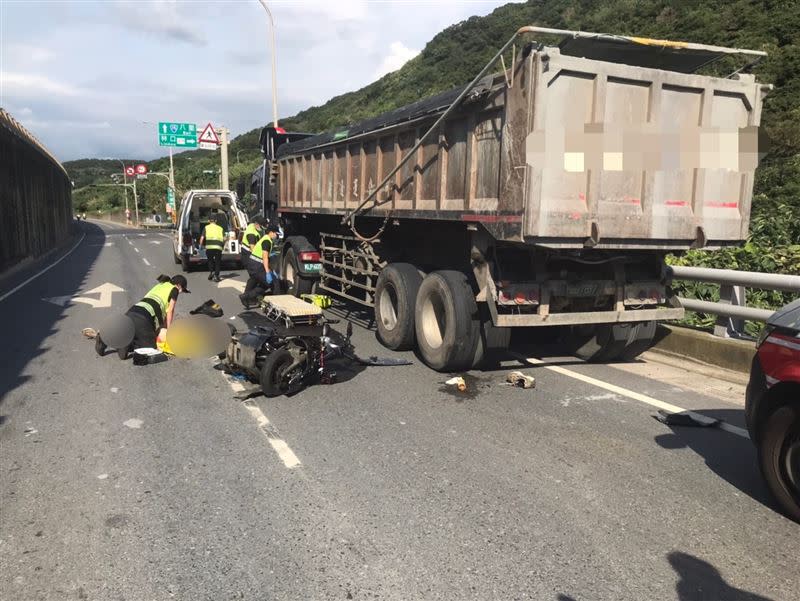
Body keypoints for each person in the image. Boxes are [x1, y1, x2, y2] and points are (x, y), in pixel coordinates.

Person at [95, 275, 190, 359]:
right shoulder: (174, 290)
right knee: (150, 346)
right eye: (182, 290)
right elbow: (170, 311)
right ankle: (125, 345)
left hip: (133, 310)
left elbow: (162, 313)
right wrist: (169, 330)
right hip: (143, 317)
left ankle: (105, 339)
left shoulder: (161, 285)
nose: (180, 292)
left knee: (130, 330)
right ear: (179, 285)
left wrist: (162, 326)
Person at [239, 224, 281, 308]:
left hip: (255, 265)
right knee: (274, 283)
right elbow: (265, 258)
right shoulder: (267, 241)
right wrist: (268, 272)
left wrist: (271, 270)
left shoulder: (266, 239)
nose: (277, 236)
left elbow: (266, 258)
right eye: (276, 234)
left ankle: (246, 296)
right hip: (256, 266)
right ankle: (278, 304)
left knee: (264, 284)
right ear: (271, 232)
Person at [199, 214, 224, 282]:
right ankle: (216, 275)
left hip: (209, 248)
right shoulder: (220, 228)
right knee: (217, 262)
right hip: (218, 248)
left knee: (210, 261)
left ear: (209, 221)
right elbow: (224, 238)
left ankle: (211, 272)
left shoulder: (206, 227)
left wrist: (200, 246)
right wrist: (223, 246)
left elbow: (202, 238)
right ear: (216, 221)